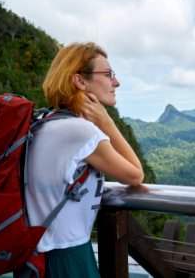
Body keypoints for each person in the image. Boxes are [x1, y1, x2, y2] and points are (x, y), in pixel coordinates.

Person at [25, 42, 144, 277]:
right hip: (66, 256)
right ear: (80, 81)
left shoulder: (43, 121)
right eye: (108, 74)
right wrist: (107, 123)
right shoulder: (81, 132)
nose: (116, 82)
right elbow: (135, 175)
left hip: (36, 254)